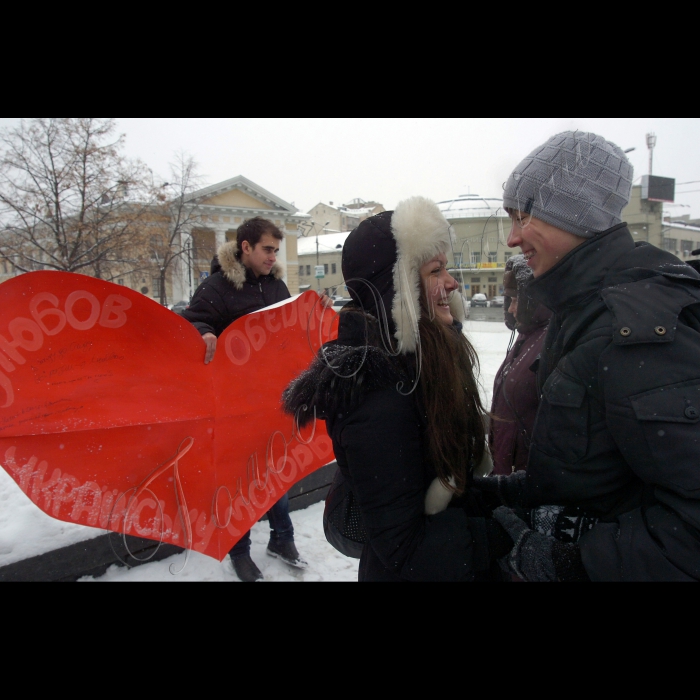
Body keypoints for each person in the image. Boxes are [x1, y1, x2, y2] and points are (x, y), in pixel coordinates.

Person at [477, 130, 700, 581]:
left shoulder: (635, 326)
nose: (513, 239)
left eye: (523, 217)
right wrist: (495, 494)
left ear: (572, 213)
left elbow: (691, 526)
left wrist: (574, 564)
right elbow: (593, 476)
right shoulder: (581, 310)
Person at [282, 196, 513, 581]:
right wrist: (505, 537)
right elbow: (404, 548)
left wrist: (507, 499)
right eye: (436, 270)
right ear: (398, 287)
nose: (453, 282)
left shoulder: (424, 363)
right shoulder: (380, 395)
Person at [182, 216, 318, 582]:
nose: (273, 256)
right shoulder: (217, 286)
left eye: (276, 250)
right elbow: (191, 321)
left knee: (275, 470)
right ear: (246, 248)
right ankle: (239, 551)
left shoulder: (276, 286)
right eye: (267, 249)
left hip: (271, 399)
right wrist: (205, 333)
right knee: (237, 479)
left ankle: (282, 539)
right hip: (230, 404)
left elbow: (291, 327)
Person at [489, 254, 551, 476]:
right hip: (509, 473)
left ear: (535, 298)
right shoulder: (526, 337)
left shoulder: (551, 340)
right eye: (509, 299)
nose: (511, 309)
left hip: (527, 478)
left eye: (517, 299)